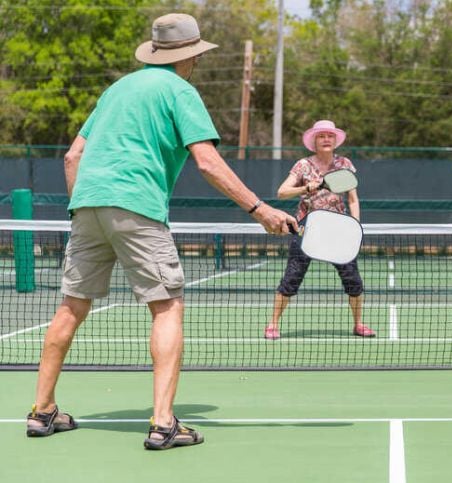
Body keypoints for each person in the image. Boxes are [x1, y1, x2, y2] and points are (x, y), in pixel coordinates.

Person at [25, 13, 297, 450]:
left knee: (71, 307)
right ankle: (164, 422)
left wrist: (82, 208)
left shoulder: (116, 89)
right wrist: (259, 208)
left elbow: (72, 157)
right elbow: (206, 161)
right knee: (167, 307)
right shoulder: (180, 90)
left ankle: (42, 411)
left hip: (86, 206)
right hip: (137, 206)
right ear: (190, 57)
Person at [264, 120, 375, 339]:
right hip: (307, 228)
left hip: (339, 229)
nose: (326, 139)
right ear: (314, 141)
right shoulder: (303, 165)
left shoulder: (344, 164)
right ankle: (273, 324)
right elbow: (281, 192)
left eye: (330, 136)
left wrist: (355, 226)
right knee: (292, 277)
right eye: (321, 136)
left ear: (335, 141)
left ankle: (359, 324)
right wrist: (306, 187)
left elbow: (352, 199)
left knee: (353, 279)